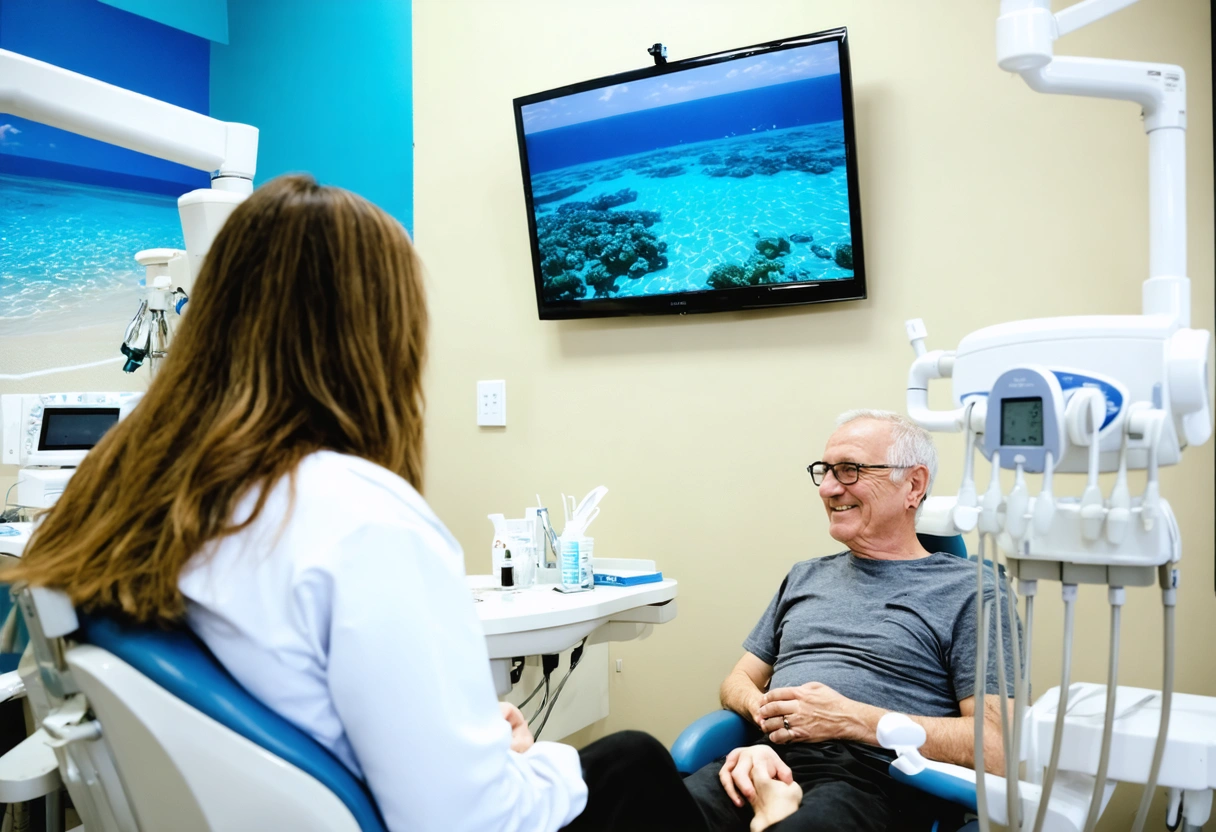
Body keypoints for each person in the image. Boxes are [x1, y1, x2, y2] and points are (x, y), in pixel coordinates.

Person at [7, 175, 777, 832]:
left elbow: (276, 696)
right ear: (377, 332)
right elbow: (463, 823)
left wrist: (470, 742)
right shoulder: (360, 517)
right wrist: (535, 764)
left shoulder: (128, 489)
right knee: (630, 762)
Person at [683, 411, 1018, 832]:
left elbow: (998, 748)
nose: (827, 488)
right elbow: (737, 681)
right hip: (765, 764)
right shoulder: (805, 576)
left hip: (874, 781)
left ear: (913, 485)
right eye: (824, 472)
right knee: (644, 801)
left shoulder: (972, 590)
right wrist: (766, 715)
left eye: (850, 471)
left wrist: (850, 717)